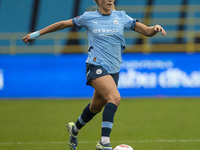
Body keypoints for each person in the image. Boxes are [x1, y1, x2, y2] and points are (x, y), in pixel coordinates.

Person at [23, 0, 166, 149]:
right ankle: (104, 143)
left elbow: (147, 32)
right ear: (98, 1)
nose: (110, 0)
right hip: (95, 66)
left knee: (95, 108)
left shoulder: (122, 16)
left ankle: (75, 129)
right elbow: (63, 24)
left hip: (113, 71)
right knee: (115, 97)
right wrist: (36, 34)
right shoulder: (88, 17)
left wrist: (155, 28)